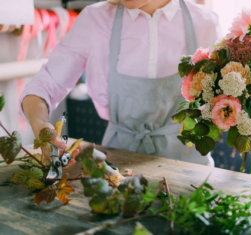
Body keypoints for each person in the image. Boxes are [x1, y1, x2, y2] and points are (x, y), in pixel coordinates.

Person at [20, 0, 222, 168]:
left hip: (191, 172)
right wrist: (41, 126)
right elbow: (44, 85)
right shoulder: (94, 20)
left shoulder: (206, 23)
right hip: (118, 169)